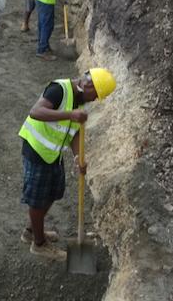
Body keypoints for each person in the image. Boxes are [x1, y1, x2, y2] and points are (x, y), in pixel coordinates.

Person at [18, 68, 117, 261]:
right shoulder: (59, 90)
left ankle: (32, 231)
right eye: (95, 96)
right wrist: (69, 115)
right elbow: (36, 112)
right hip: (37, 150)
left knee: (53, 193)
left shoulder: (79, 101)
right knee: (38, 201)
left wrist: (78, 156)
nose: (95, 100)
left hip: (53, 153)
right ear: (88, 86)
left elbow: (75, 131)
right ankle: (39, 245)